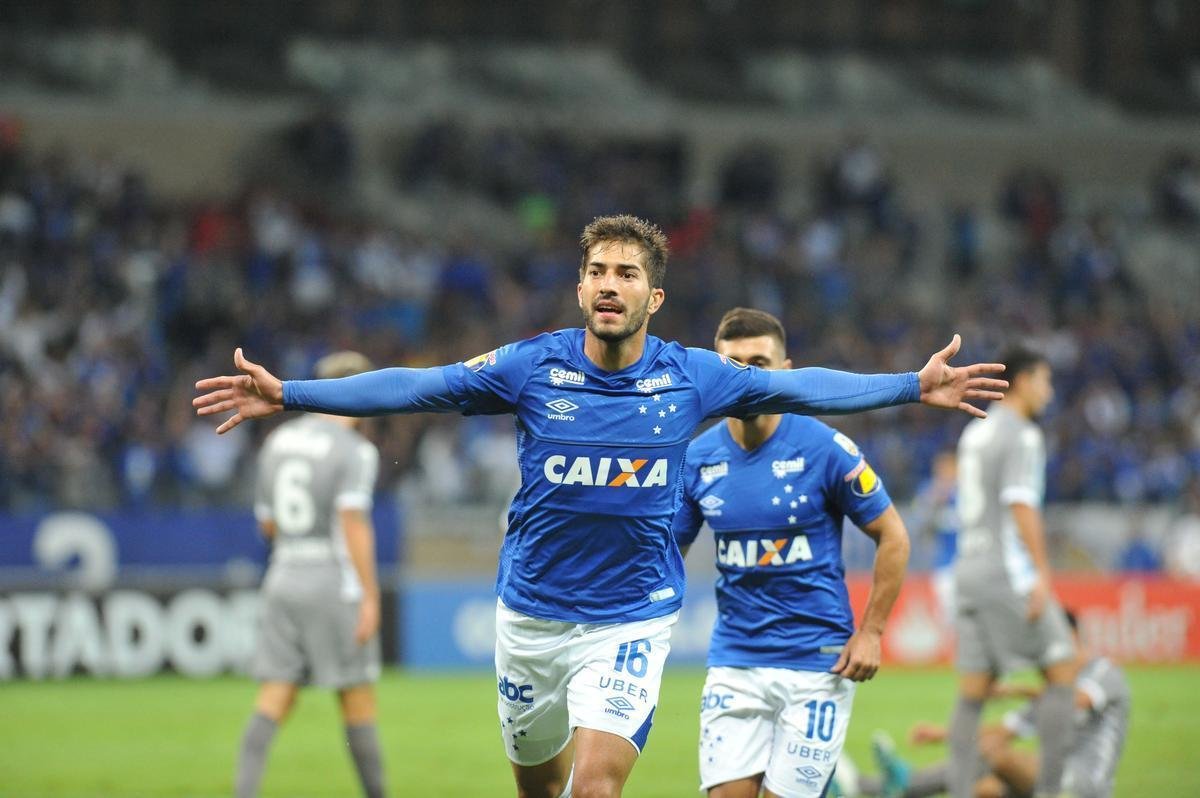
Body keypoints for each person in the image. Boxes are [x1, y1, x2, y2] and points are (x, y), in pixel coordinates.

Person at [196, 215, 1006, 798]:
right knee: (539, 782)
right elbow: (418, 385)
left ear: (655, 295)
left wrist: (911, 384)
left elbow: (803, 385)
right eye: (598, 271)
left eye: (627, 273)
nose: (610, 285)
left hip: (630, 621)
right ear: (581, 284)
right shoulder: (530, 367)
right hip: (531, 618)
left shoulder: (694, 376)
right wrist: (293, 392)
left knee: (593, 789)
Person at [670, 308, 911, 798]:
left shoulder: (826, 449)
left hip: (816, 664)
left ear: (785, 372)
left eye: (759, 362)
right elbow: (665, 552)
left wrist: (872, 632)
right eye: (733, 364)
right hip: (734, 660)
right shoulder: (696, 458)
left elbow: (894, 536)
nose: (746, 376)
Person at [234, 351, 387, 798]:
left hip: (282, 573)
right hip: (332, 581)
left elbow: (267, 524)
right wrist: (370, 597)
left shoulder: (277, 442)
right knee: (357, 700)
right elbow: (353, 523)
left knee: (273, 698)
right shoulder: (356, 450)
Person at [947, 345, 1074, 798]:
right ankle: (1052, 791)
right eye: (1044, 380)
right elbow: (1020, 503)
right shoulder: (1023, 434)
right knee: (1064, 670)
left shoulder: (974, 430)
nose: (1049, 391)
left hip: (966, 569)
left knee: (972, 694)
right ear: (1022, 381)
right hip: (1005, 570)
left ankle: (961, 791)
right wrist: (1042, 571)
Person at [863, 610, 1130, 798]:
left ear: (1069, 637)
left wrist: (1015, 689)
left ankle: (900, 784)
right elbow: (1002, 731)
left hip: (1084, 784)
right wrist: (940, 734)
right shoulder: (1050, 693)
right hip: (1050, 778)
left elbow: (1076, 701)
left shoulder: (1103, 671)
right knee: (983, 790)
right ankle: (877, 785)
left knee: (995, 755)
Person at [909, 448, 959, 624]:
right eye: (941, 467)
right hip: (944, 565)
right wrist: (934, 501)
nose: (945, 471)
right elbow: (919, 526)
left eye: (949, 467)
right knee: (947, 619)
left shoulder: (967, 492)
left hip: (968, 564)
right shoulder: (929, 491)